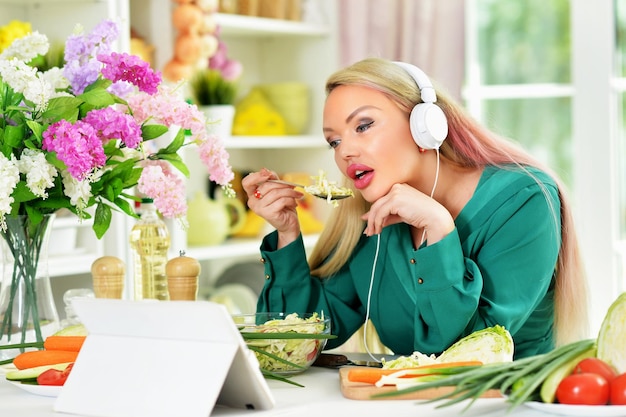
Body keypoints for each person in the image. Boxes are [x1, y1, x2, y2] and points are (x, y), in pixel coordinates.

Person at [241, 57, 589, 359]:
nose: (344, 152)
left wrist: (439, 229)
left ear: (425, 124)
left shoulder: (524, 201)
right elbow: (291, 343)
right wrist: (287, 231)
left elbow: (470, 354)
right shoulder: (371, 216)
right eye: (334, 140)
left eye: (363, 126)